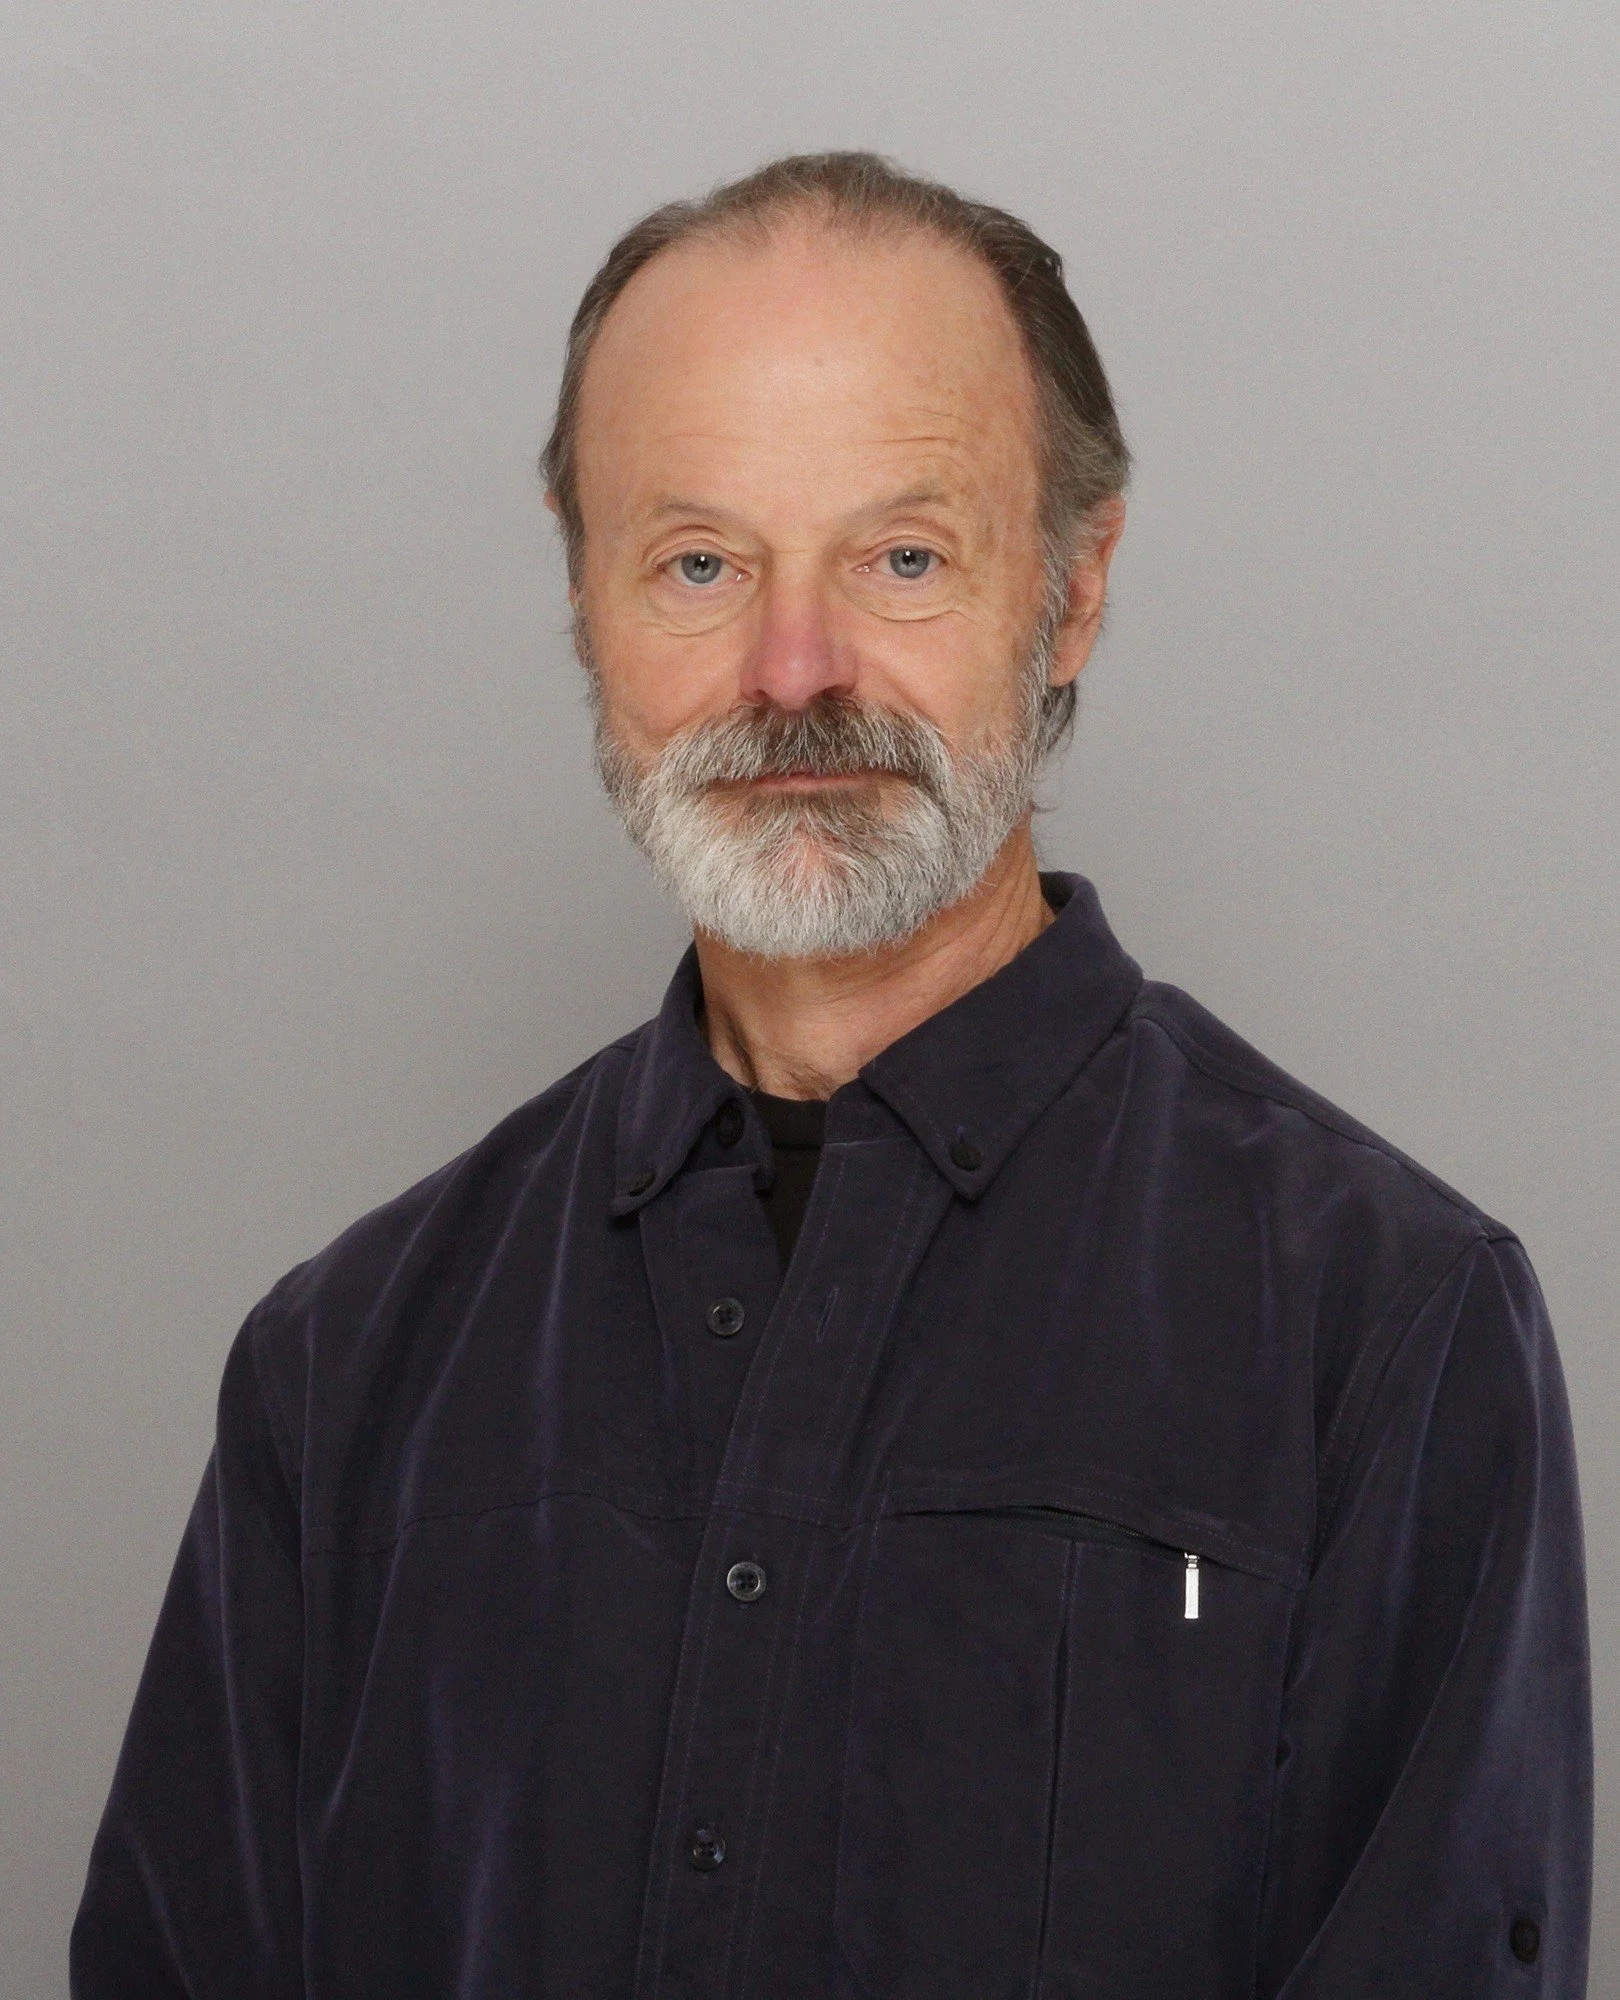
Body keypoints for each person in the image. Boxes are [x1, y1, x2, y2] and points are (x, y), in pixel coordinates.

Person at [72, 151, 1591, 1998]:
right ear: (585, 601)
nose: (794, 670)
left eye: (901, 556)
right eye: (699, 562)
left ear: (1075, 589)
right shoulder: (345, 1369)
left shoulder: (1384, 1326)